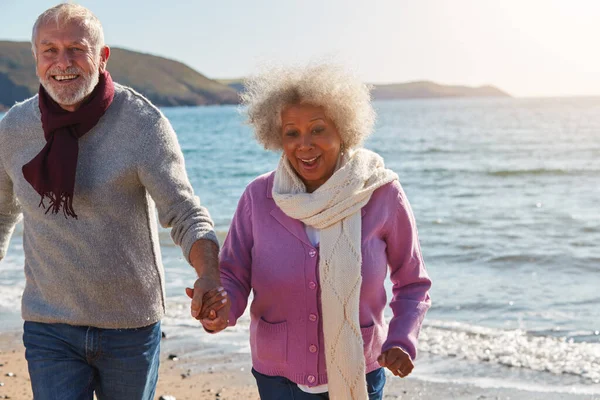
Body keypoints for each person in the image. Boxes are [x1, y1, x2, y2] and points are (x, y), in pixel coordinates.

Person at [0, 4, 226, 399]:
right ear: (36, 58)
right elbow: (2, 212)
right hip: (48, 324)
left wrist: (208, 273)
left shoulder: (142, 124)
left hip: (131, 326)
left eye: (76, 48)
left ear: (102, 56)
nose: (62, 62)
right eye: (49, 50)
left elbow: (183, 212)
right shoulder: (15, 129)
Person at [200, 64, 432, 400]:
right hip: (277, 377)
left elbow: (412, 283)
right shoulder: (258, 197)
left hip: (361, 370)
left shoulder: (381, 193)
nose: (304, 145)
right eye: (291, 133)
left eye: (318, 129)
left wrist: (401, 340)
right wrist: (219, 309)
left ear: (344, 130)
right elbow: (234, 275)